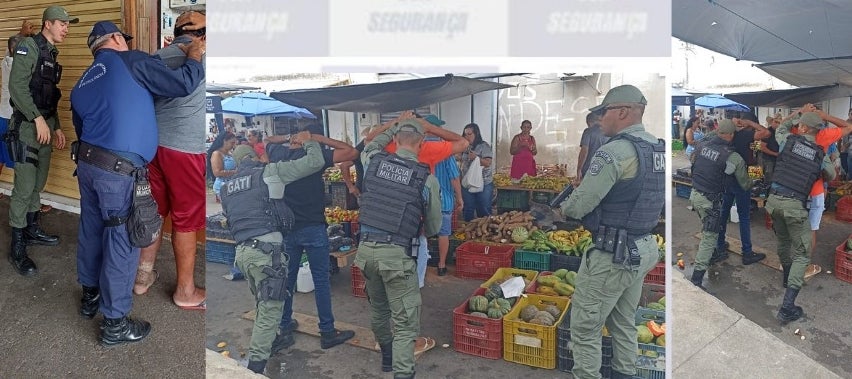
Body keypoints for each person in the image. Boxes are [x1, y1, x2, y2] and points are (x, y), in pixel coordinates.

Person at [70, 20, 204, 346]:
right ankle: (115, 323)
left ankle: (90, 296)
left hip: (88, 165)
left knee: (91, 228)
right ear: (115, 38)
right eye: (124, 38)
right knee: (121, 240)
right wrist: (195, 55)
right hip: (117, 171)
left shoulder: (84, 80)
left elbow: (81, 125)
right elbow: (182, 83)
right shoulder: (130, 61)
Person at [557, 85, 664, 379]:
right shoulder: (656, 148)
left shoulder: (614, 151)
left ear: (622, 112)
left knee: (585, 328)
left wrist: (563, 207)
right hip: (643, 247)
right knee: (623, 322)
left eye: (603, 112)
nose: (600, 118)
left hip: (613, 254)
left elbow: (579, 206)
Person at [220, 134, 326, 375]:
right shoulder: (269, 173)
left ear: (236, 164)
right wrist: (309, 140)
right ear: (257, 157)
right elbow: (315, 162)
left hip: (243, 254)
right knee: (269, 311)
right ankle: (255, 369)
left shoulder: (227, 188)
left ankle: (277, 336)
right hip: (267, 255)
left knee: (263, 305)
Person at [354, 119, 442, 379]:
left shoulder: (372, 161)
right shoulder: (426, 178)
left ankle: (387, 360)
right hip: (396, 256)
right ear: (422, 144)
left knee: (379, 309)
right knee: (405, 325)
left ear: (395, 141)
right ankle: (402, 374)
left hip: (366, 251)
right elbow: (434, 227)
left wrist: (392, 128)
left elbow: (369, 144)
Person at [133, 10, 207, 310]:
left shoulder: (156, 57)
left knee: (155, 212)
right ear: (202, 34)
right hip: (186, 150)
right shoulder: (203, 58)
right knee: (186, 220)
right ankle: (185, 292)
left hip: (155, 148)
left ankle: (142, 278)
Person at [266, 123, 359, 352]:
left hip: (287, 228)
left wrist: (289, 138)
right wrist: (315, 138)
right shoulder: (315, 157)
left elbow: (268, 141)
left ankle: (284, 327)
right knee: (321, 281)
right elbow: (351, 151)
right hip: (314, 227)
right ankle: (327, 331)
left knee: (286, 281)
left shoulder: (278, 154)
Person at [6, 7, 78, 276]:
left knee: (38, 183)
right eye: (62, 23)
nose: (66, 28)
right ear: (47, 24)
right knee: (24, 188)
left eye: (68, 24)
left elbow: (49, 95)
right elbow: (17, 88)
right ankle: (17, 246)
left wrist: (56, 126)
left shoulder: (51, 52)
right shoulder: (29, 46)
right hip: (27, 127)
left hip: (45, 125)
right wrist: (36, 119)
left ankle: (32, 229)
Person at [764, 111, 836, 324]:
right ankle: (787, 307)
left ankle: (787, 278)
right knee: (803, 254)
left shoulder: (787, 140)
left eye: (801, 125)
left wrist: (795, 116)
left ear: (803, 128)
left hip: (774, 201)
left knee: (784, 242)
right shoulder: (820, 154)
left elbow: (781, 127)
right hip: (795, 206)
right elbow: (831, 175)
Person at [688, 120, 752, 289]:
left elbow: (692, 159)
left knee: (710, 228)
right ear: (731, 136)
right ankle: (696, 279)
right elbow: (744, 184)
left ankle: (716, 253)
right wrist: (755, 182)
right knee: (708, 237)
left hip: (694, 194)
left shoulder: (702, 145)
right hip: (709, 199)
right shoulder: (733, 157)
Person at [714, 113, 770, 265]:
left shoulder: (724, 136)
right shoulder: (745, 134)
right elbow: (766, 132)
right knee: (744, 217)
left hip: (727, 179)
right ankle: (747, 252)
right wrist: (750, 123)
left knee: (724, 213)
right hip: (742, 180)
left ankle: (719, 245)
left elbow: (755, 151)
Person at [1, 33, 27, 183]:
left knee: (1, 156)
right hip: (12, 119)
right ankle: (21, 195)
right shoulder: (15, 67)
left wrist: (22, 33)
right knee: (18, 158)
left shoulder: (5, 61)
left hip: (2, 116)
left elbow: (10, 48)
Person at [459, 123, 493, 221]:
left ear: (476, 134)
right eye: (465, 134)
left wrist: (476, 158)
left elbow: (487, 163)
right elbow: (459, 158)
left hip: (484, 183)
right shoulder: (464, 147)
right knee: (468, 208)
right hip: (467, 183)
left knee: (484, 208)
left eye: (470, 134)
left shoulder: (484, 146)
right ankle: (467, 230)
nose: (467, 137)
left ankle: (485, 231)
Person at [576, 112, 608, 184]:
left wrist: (579, 169)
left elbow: (584, 151)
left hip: (589, 170)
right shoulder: (608, 132)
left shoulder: (588, 131)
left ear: (589, 122)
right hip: (604, 170)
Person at [210, 132, 238, 202]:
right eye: (232, 143)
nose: (233, 145)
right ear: (224, 141)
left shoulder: (230, 153)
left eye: (234, 143)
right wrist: (235, 172)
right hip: (222, 186)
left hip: (232, 185)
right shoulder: (217, 154)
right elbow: (217, 172)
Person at [759, 115, 781, 185]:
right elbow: (762, 147)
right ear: (772, 122)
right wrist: (775, 154)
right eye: (775, 122)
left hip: (776, 159)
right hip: (767, 159)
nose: (777, 124)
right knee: (768, 178)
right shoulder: (767, 132)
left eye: (779, 122)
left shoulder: (780, 132)